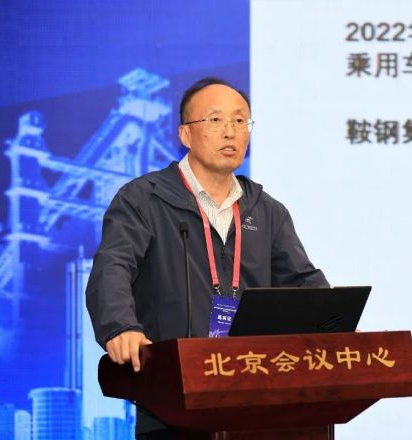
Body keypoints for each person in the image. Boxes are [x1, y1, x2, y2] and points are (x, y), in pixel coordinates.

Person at [85, 77, 328, 439]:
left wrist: (336, 326)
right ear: (185, 134)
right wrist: (120, 327)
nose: (230, 131)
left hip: (255, 401)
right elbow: (113, 267)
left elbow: (302, 283)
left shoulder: (266, 211)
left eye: (240, 120)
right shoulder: (144, 199)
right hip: (171, 401)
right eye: (215, 120)